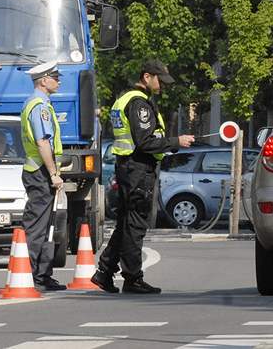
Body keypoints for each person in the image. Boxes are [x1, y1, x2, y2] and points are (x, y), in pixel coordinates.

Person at [91, 59, 195, 294]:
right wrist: (176, 141)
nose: (163, 86)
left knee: (126, 223)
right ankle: (132, 278)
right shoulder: (139, 104)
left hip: (128, 167)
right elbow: (145, 142)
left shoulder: (124, 98)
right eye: (160, 80)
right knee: (136, 224)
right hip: (138, 170)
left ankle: (105, 272)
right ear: (147, 77)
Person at [20, 60, 66, 292]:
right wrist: (53, 173)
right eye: (55, 77)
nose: (59, 81)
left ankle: (38, 273)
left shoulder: (36, 103)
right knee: (38, 225)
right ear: (43, 80)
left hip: (35, 170)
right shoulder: (40, 106)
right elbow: (42, 142)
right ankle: (33, 274)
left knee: (42, 223)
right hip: (39, 171)